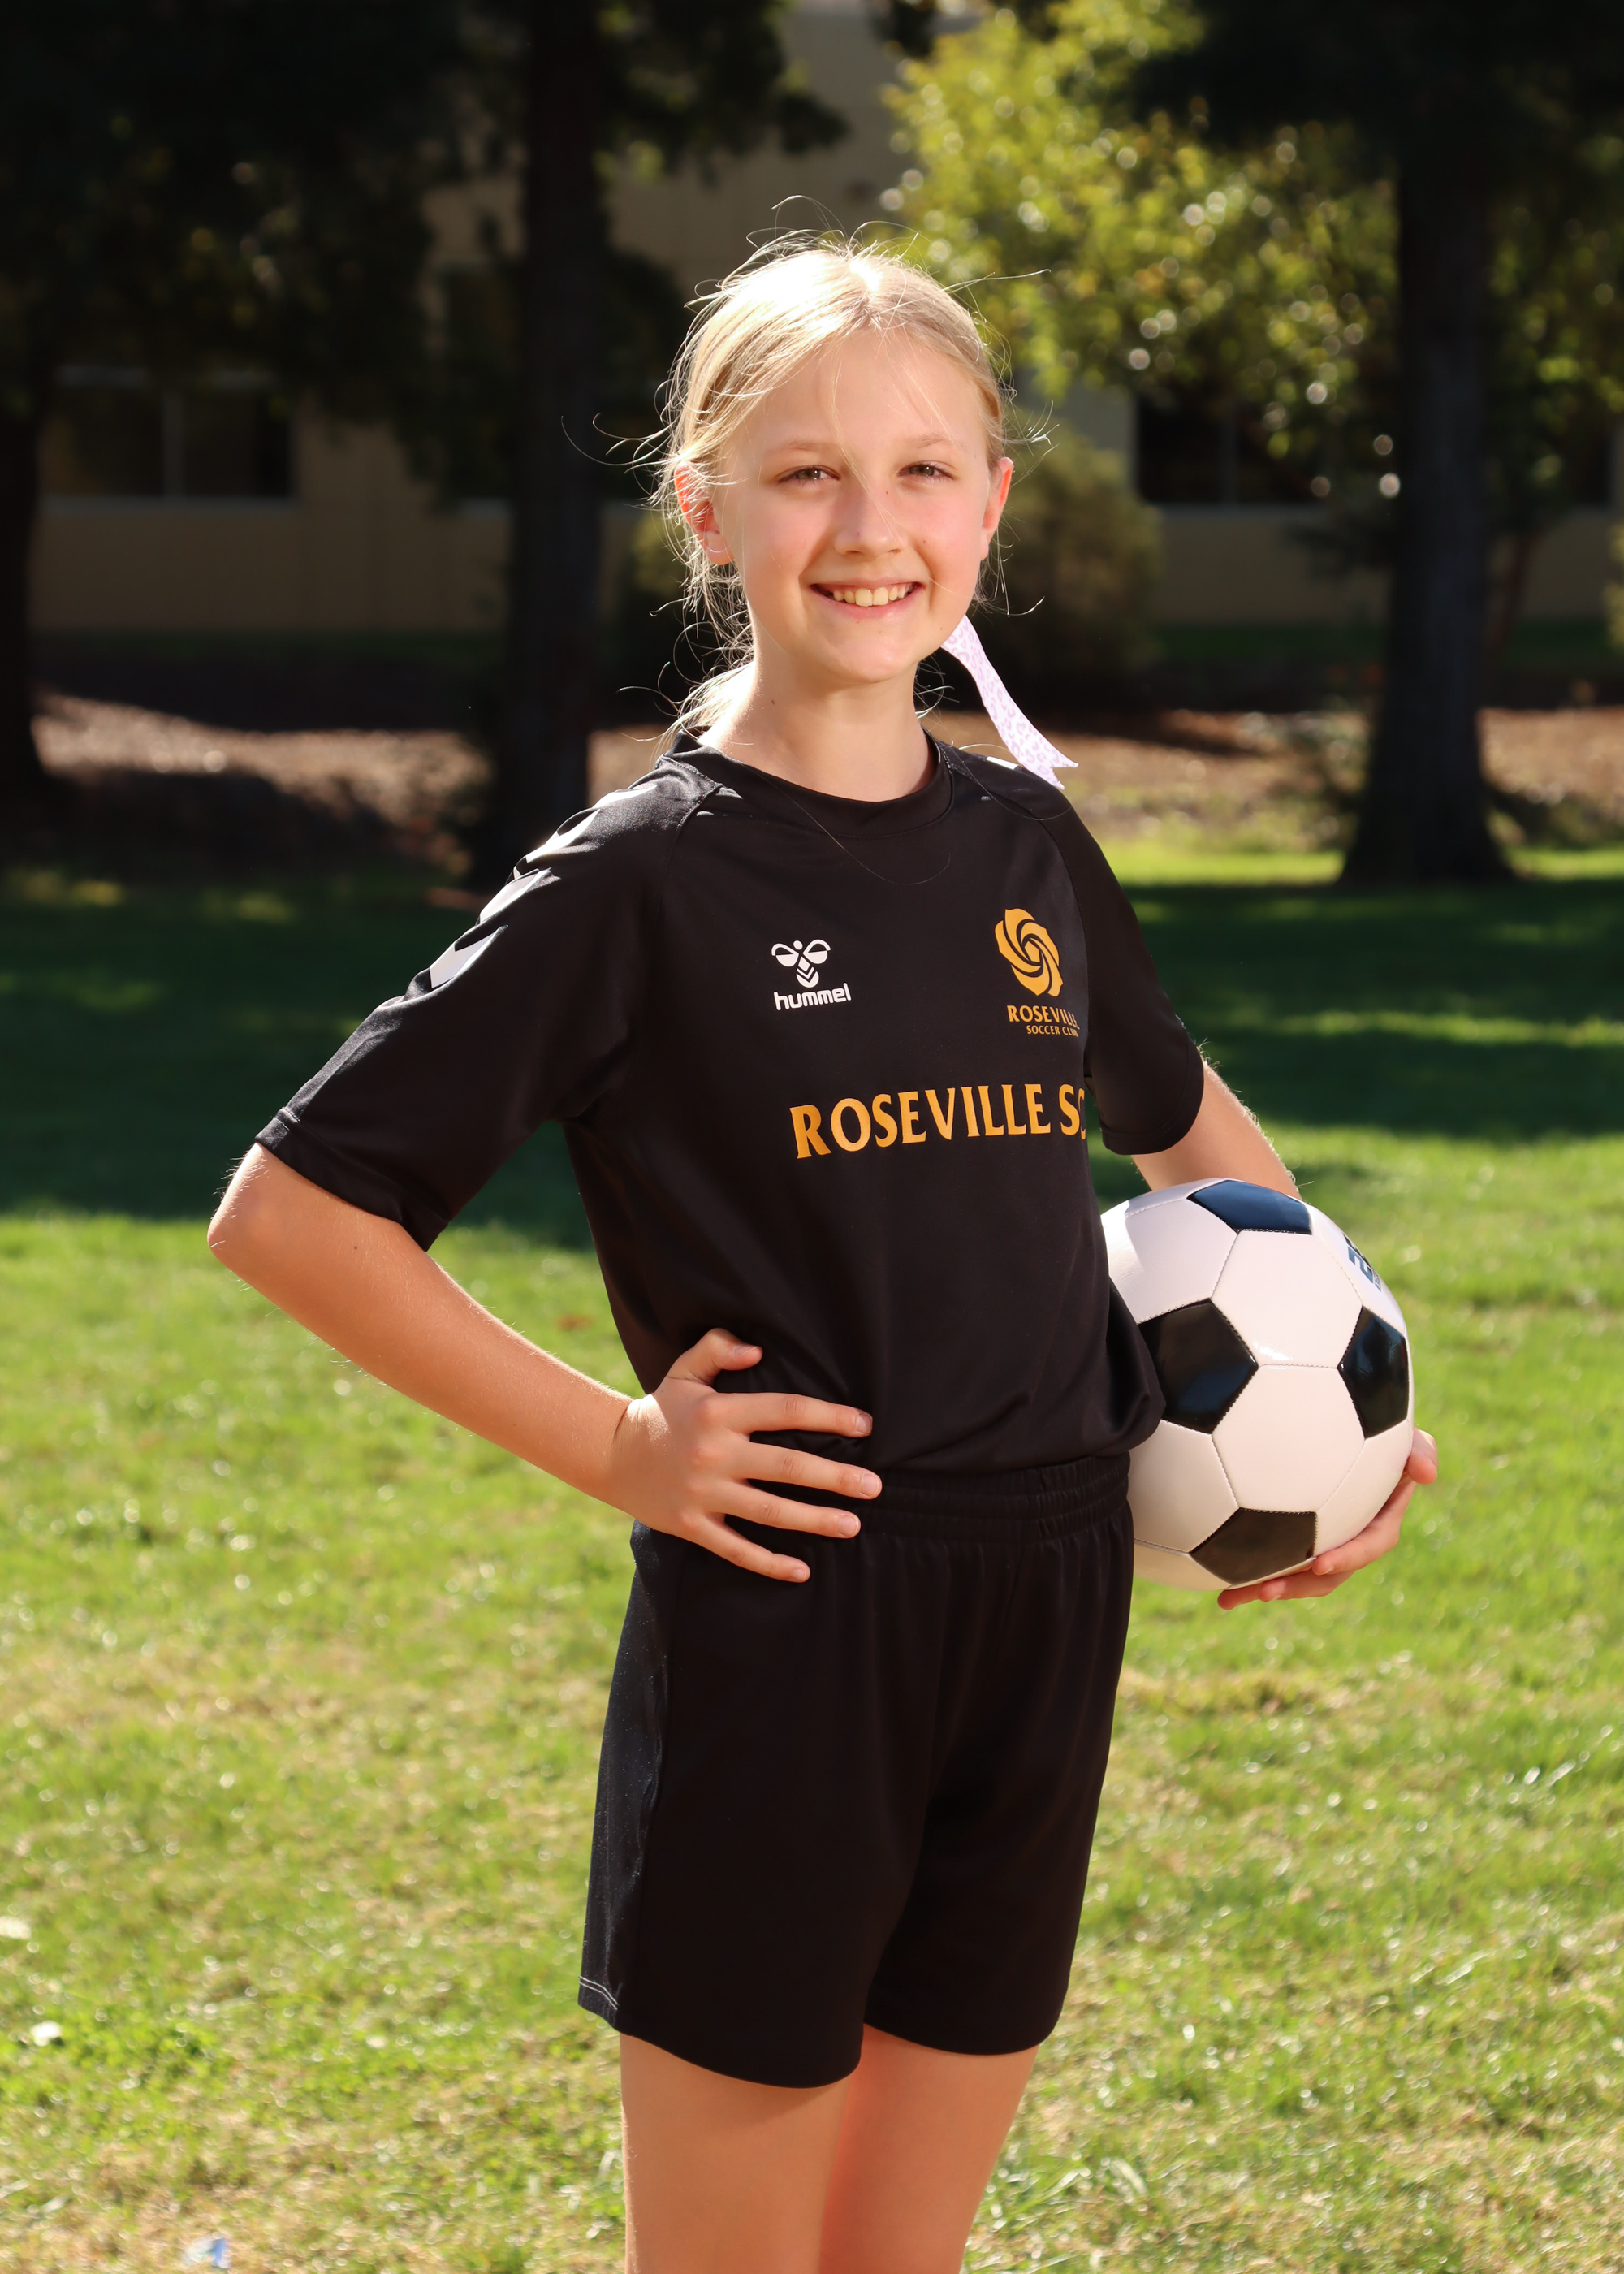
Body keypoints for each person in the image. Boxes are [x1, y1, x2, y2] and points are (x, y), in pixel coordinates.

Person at [208, 242, 1436, 2274]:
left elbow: (1194, 1135)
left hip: (1048, 1604)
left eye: (923, 469)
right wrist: (624, 1447)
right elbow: (294, 1209)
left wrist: (1336, 1431)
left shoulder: (1029, 847)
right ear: (705, 510)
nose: (872, 528)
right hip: (795, 1620)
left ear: (991, 505)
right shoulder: (639, 881)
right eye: (806, 475)